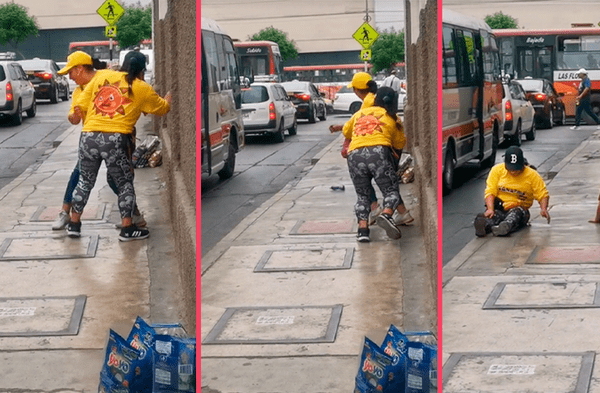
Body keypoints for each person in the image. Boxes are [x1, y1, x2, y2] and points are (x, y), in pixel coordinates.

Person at [67, 51, 172, 241]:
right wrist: (169, 98)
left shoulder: (103, 76)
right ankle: (128, 228)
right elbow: (162, 108)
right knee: (124, 183)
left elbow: (80, 105)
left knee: (85, 180)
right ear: (142, 70)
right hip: (116, 139)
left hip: (88, 136)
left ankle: (74, 224)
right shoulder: (141, 87)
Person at [51, 51, 146, 231]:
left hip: (114, 138)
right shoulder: (79, 92)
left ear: (80, 69)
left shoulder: (107, 81)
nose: (70, 78)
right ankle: (67, 214)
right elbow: (73, 118)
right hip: (93, 140)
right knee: (81, 176)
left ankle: (132, 215)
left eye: (71, 72)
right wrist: (74, 116)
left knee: (114, 179)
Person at [343, 87, 407, 242]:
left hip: (354, 156)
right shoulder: (393, 117)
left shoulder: (359, 113)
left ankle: (363, 230)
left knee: (362, 195)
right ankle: (386, 215)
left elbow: (346, 131)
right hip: (379, 153)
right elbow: (400, 143)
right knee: (391, 190)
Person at [474, 146, 550, 237]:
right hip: (501, 207)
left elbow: (542, 194)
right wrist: (490, 209)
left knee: (515, 215)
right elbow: (490, 191)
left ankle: (505, 227)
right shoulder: (497, 170)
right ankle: (484, 225)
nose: (513, 172)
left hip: (519, 208)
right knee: (494, 216)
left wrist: (544, 209)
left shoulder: (532, 175)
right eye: (510, 169)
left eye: (516, 169)